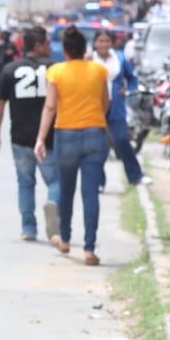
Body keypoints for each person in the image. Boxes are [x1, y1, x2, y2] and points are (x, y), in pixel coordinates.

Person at [35, 25, 109, 266]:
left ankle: (65, 239)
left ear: (64, 51)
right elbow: (105, 103)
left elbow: (50, 107)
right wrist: (93, 119)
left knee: (66, 190)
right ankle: (89, 248)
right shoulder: (98, 70)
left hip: (65, 134)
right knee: (91, 193)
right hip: (95, 134)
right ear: (85, 48)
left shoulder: (56, 72)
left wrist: (40, 139)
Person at [0, 26, 61, 241]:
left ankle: (28, 227)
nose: (50, 47)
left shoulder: (10, 70)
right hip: (48, 137)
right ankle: (53, 203)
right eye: (47, 43)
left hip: (19, 137)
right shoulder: (55, 69)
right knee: (57, 180)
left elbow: (0, 103)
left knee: (25, 183)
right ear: (37, 46)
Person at [90, 29, 150, 187]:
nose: (103, 44)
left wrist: (128, 90)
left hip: (116, 105)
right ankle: (98, 181)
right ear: (95, 43)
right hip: (95, 106)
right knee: (98, 145)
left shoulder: (119, 58)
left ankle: (136, 175)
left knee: (122, 140)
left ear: (112, 43)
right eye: (100, 41)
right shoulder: (90, 59)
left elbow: (131, 78)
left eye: (106, 41)